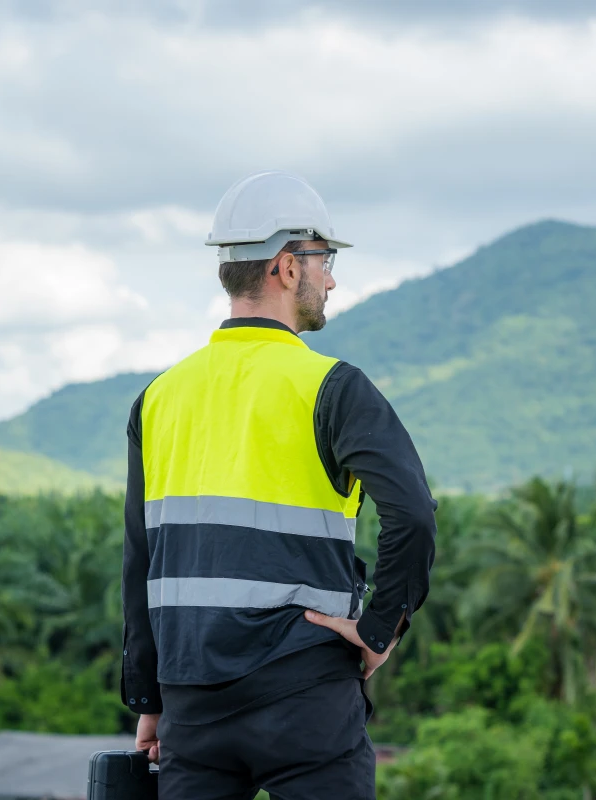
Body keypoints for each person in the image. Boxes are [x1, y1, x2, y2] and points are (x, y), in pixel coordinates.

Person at [120, 170, 437, 799]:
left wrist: (149, 697)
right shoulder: (332, 387)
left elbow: (141, 560)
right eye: (323, 260)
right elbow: (414, 516)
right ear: (287, 268)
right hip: (304, 697)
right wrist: (381, 630)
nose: (331, 278)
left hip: (193, 705)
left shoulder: (158, 398)